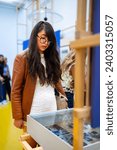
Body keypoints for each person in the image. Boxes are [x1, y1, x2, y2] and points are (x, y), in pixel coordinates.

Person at [11, 21, 66, 131]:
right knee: (30, 146)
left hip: (51, 110)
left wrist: (64, 98)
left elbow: (56, 82)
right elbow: (15, 90)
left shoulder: (51, 58)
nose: (45, 42)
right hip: (32, 113)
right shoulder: (22, 58)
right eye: (42, 38)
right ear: (34, 36)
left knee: (47, 145)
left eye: (49, 40)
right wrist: (17, 117)